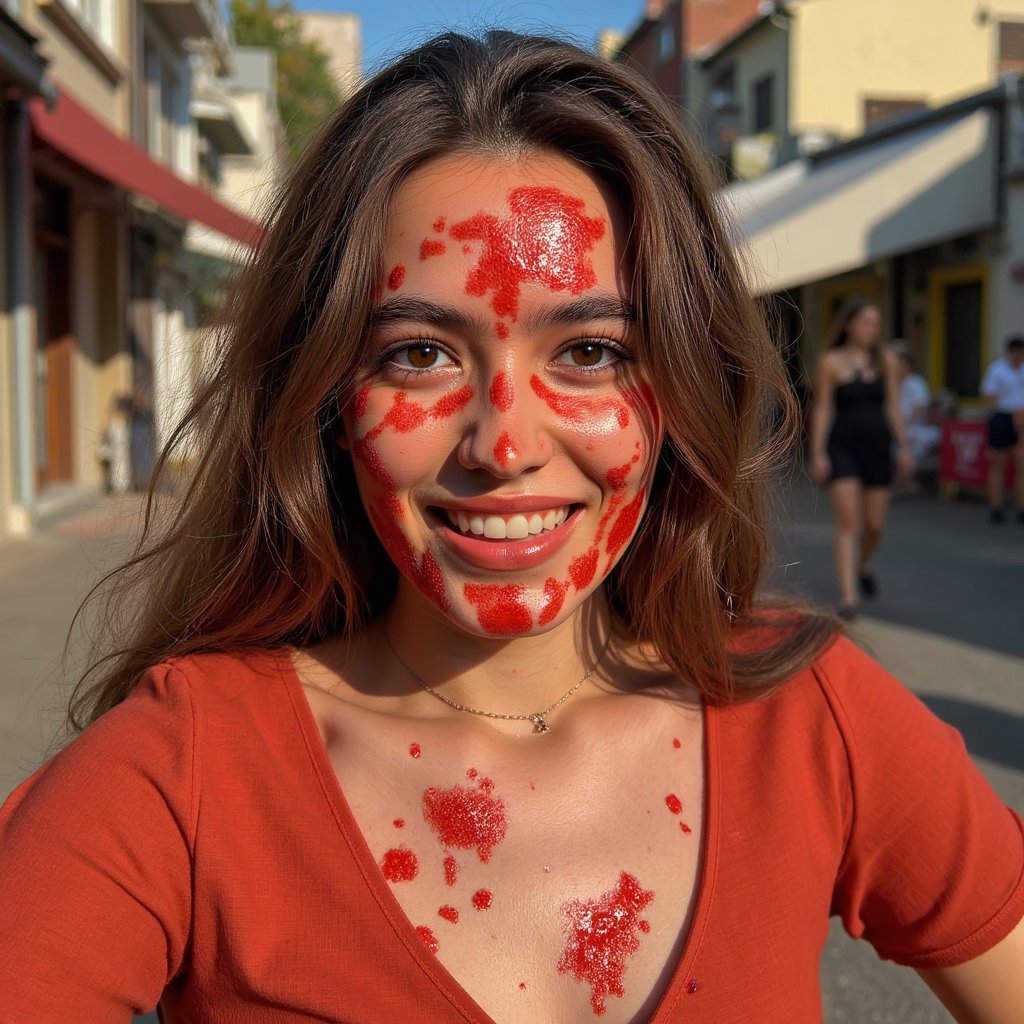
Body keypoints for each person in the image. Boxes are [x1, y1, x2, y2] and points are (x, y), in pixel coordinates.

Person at [1, 32, 1021, 1024]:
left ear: (682, 387)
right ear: (324, 397)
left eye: (587, 351)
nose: (503, 443)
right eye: (417, 354)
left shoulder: (812, 719)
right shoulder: (187, 770)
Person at [808, 297, 912, 618]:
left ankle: (862, 566)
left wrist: (905, 447)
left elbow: (893, 407)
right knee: (849, 521)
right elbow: (824, 408)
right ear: (849, 324)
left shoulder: (887, 360)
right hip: (843, 448)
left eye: (876, 324)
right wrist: (818, 452)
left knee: (875, 526)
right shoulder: (830, 362)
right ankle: (848, 597)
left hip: (878, 448)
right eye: (866, 322)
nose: (872, 330)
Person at [981, 335, 1024, 523]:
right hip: (1003, 416)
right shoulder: (997, 370)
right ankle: (996, 506)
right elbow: (988, 396)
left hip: (1022, 417)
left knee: (1022, 464)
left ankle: (1021, 507)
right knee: (998, 464)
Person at [891, 339, 941, 476]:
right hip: (895, 426)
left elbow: (920, 405)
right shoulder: (892, 383)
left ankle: (905, 478)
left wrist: (905, 421)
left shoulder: (916, 382)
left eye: (901, 365)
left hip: (913, 427)